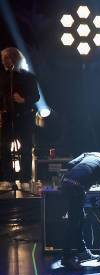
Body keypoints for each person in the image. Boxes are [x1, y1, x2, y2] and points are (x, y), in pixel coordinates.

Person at [0, 47, 40, 184]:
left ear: (14, 59)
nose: (4, 62)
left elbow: (36, 96)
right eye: (3, 59)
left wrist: (23, 100)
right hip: (7, 118)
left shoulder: (28, 76)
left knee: (26, 149)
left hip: (24, 118)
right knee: (4, 147)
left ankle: (25, 178)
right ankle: (8, 177)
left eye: (6, 58)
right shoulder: (2, 77)